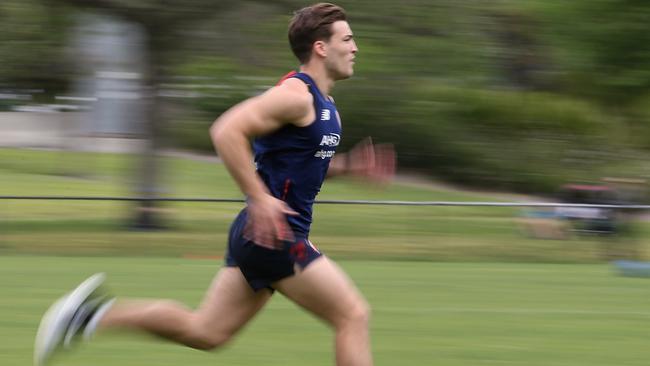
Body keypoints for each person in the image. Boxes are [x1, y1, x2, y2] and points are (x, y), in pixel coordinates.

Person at [34, 3, 395, 366]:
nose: (355, 48)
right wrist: (258, 198)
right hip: (278, 236)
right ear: (320, 47)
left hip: (260, 234)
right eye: (347, 39)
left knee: (206, 332)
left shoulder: (325, 103)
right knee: (352, 315)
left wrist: (347, 167)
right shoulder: (295, 96)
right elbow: (226, 130)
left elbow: (298, 165)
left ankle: (88, 316)